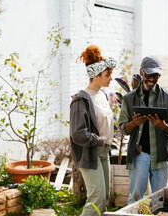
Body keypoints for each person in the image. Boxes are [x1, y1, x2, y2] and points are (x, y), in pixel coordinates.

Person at [118, 56, 168, 204]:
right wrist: (133, 123)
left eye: (156, 75)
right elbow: (123, 128)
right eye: (149, 75)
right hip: (139, 154)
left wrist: (163, 126)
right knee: (135, 197)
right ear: (141, 72)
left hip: (161, 155)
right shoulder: (128, 99)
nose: (152, 79)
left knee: (160, 200)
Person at [70, 45, 116, 215]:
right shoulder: (80, 100)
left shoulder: (102, 95)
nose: (111, 78)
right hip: (91, 153)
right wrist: (98, 140)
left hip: (104, 152)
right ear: (96, 76)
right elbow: (77, 133)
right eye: (107, 75)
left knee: (105, 197)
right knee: (96, 198)